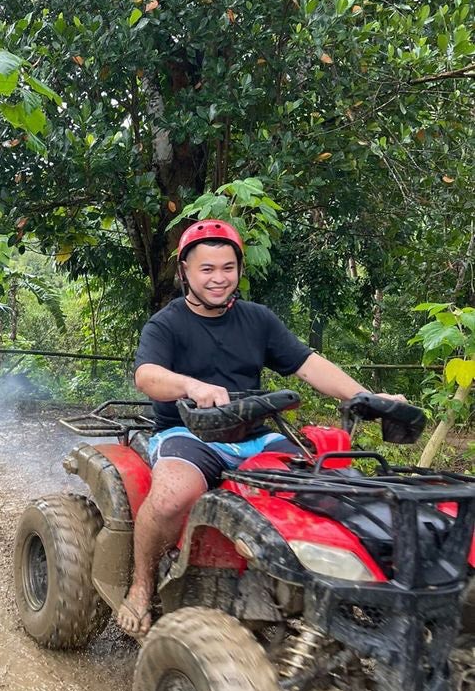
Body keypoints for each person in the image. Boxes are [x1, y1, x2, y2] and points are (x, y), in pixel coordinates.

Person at [116, 218, 406, 639]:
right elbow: (147, 376)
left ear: (239, 270)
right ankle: (141, 587)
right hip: (189, 434)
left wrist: (365, 396)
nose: (219, 279)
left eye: (228, 268)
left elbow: (308, 365)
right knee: (171, 497)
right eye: (207, 269)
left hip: (256, 435)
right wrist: (191, 386)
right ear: (185, 273)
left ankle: (341, 593)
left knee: (332, 488)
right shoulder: (167, 323)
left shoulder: (258, 320)